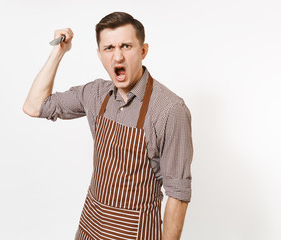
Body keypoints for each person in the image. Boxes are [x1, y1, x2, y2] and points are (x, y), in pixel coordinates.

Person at [23, 12, 193, 240]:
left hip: (136, 234)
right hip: (90, 229)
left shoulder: (170, 109)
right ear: (100, 55)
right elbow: (34, 106)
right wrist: (58, 52)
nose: (118, 56)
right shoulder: (95, 94)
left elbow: (178, 195)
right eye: (109, 48)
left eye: (126, 46)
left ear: (143, 51)